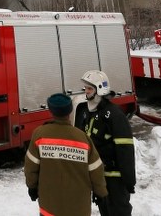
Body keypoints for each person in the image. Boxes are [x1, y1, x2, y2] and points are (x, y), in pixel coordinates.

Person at [25, 92, 107, 216]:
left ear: (51, 111)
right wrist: (100, 192)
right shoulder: (83, 138)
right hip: (79, 209)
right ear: (70, 111)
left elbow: (31, 167)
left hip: (49, 206)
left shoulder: (39, 135)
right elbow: (96, 169)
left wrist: (32, 187)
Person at [74, 70, 136, 216]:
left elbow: (125, 150)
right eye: (85, 88)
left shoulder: (114, 115)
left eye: (90, 89)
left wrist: (129, 181)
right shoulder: (86, 112)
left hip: (115, 179)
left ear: (100, 89)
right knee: (104, 211)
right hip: (97, 177)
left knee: (118, 211)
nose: (86, 92)